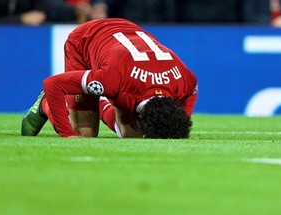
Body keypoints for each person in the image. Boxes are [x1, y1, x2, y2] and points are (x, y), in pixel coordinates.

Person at [21, 18, 198, 138]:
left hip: (126, 39)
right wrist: (68, 134)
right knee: (85, 132)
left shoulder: (183, 81)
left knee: (131, 136)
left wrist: (181, 120)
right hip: (85, 39)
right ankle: (44, 105)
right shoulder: (112, 80)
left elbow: (193, 88)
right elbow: (52, 84)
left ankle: (100, 103)